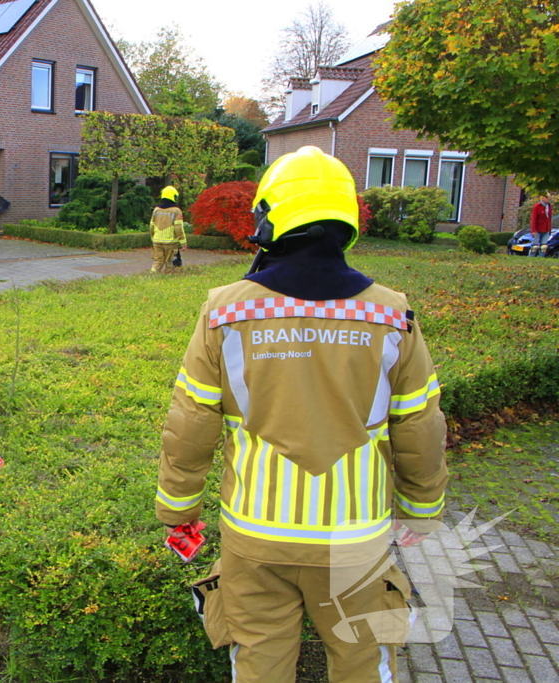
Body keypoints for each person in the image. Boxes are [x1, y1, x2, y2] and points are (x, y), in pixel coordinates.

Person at [155, 146, 447, 682]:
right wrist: (421, 509)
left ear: (270, 217)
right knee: (364, 661)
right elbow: (419, 425)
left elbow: (191, 420)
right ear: (345, 219)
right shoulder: (392, 313)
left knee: (259, 663)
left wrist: (178, 509)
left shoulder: (225, 310)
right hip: (356, 538)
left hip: (255, 534)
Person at [150, 185, 187, 273]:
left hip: (157, 241)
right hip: (170, 242)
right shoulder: (176, 211)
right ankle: (168, 278)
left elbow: (151, 226)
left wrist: (153, 238)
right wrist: (183, 242)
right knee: (169, 262)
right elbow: (178, 228)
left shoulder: (156, 210)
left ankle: (152, 275)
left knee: (158, 261)